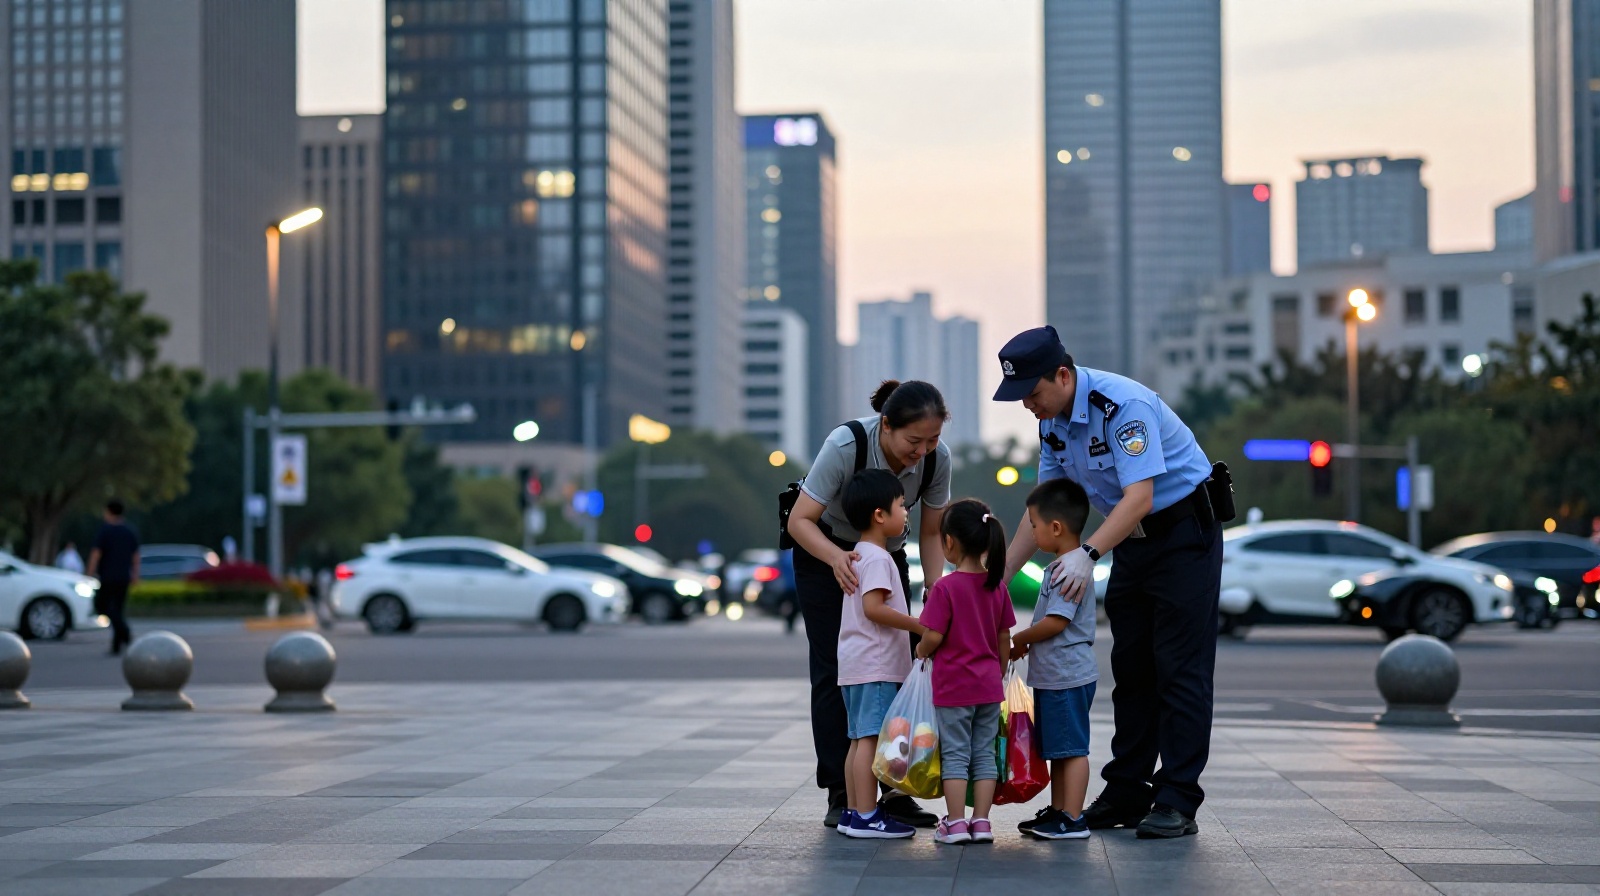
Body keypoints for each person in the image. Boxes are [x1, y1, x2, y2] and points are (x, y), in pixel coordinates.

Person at [996, 325, 1222, 840]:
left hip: (1182, 534)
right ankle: (1126, 790)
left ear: (1062, 374)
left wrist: (1089, 553)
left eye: (1033, 392)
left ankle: (1178, 797)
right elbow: (1046, 507)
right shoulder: (1052, 423)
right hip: (1133, 542)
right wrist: (1000, 577)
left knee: (1179, 669)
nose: (1029, 405)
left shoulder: (1122, 406)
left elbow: (1139, 496)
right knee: (1133, 667)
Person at [787, 380, 953, 829]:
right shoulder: (846, 445)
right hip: (826, 554)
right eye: (913, 441)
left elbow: (933, 531)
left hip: (883, 555)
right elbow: (801, 520)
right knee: (836, 671)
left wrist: (934, 584)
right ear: (886, 426)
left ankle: (894, 788)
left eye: (932, 439)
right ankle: (843, 796)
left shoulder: (938, 459)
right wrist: (837, 558)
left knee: (896, 668)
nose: (923, 450)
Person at [836, 469, 943, 839]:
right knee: (869, 740)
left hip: (855, 665)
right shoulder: (880, 560)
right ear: (880, 515)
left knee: (857, 740)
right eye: (901, 505)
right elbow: (874, 609)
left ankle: (853, 812)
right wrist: (917, 626)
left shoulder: (858, 556)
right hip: (876, 665)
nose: (906, 512)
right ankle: (867, 816)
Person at [916, 498, 1015, 845]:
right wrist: (998, 673)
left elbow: (934, 636)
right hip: (989, 687)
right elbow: (1004, 638)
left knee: (956, 754)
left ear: (948, 542)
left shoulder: (945, 588)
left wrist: (920, 649)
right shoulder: (997, 587)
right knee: (984, 753)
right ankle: (982, 823)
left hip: (953, 688)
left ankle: (956, 824)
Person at [1009, 478, 1097, 841]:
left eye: (1033, 525)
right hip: (1055, 676)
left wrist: (1020, 639)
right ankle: (1060, 812)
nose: (1031, 532)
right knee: (1059, 749)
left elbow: (1056, 622)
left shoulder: (1067, 571)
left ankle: (1072, 817)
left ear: (1056, 527)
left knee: (1071, 750)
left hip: (1067, 677)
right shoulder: (1060, 567)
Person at [87, 500, 140, 655]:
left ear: (109, 512)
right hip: (124, 576)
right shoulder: (130, 531)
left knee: (103, 607)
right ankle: (117, 644)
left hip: (108, 576)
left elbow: (96, 554)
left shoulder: (105, 531)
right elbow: (136, 556)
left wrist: (89, 573)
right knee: (118, 609)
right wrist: (135, 574)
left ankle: (125, 633)